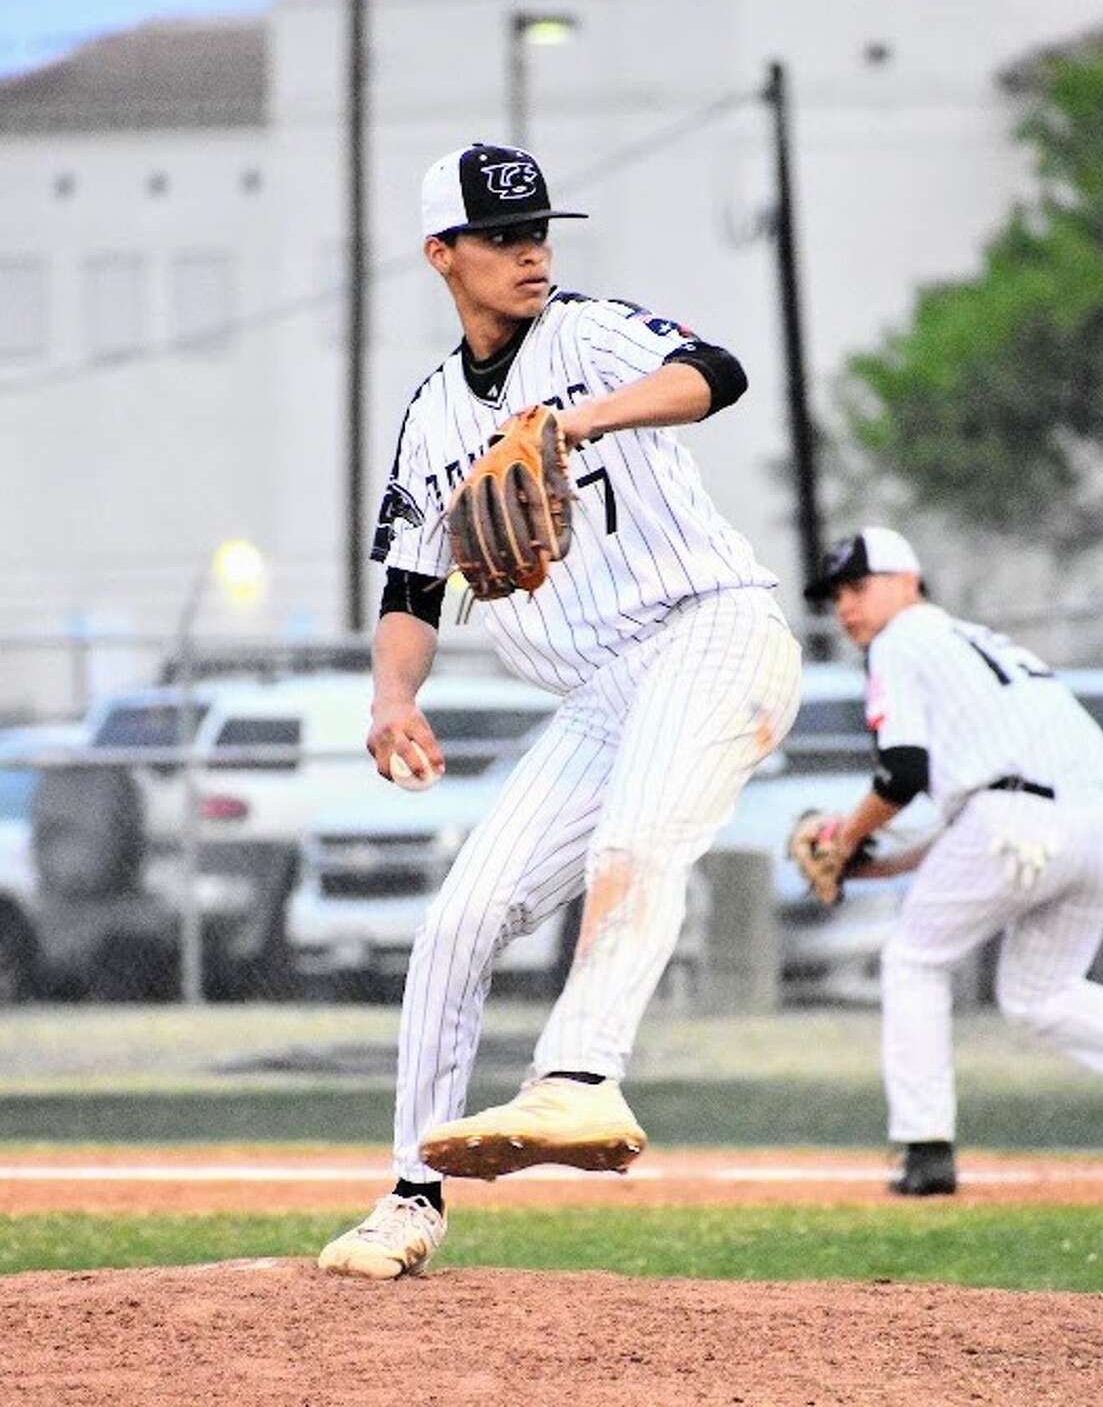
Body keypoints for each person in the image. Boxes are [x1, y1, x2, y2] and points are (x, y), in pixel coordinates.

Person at [318, 143, 803, 1278]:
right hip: (599, 694)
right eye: (501, 234)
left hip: (712, 630)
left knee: (641, 838)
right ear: (443, 254)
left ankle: (580, 1075)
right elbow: (409, 583)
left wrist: (578, 424)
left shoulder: (585, 335)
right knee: (456, 923)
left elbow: (717, 372)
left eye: (539, 227)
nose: (530, 247)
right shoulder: (432, 415)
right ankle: (408, 1196)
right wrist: (393, 695)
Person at [800, 525, 1103, 1196]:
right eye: (836, 593)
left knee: (914, 961)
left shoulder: (900, 641)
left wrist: (843, 842)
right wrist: (874, 865)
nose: (845, 606)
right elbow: (977, 805)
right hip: (1101, 821)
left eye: (857, 587)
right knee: (1039, 992)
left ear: (908, 583)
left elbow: (902, 775)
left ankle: (925, 1148)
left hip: (1014, 819)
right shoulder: (975, 644)